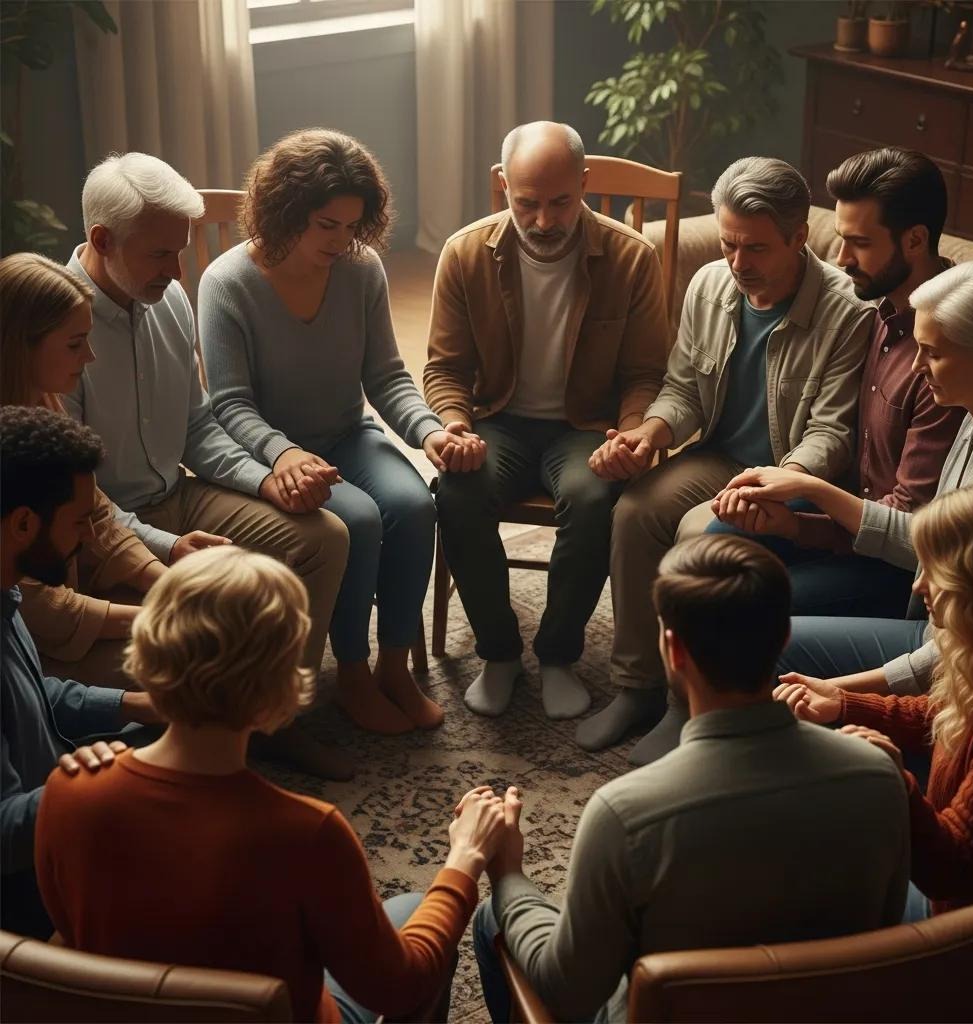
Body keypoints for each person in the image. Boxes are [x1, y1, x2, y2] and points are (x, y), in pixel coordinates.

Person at [35, 545, 509, 1024]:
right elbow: (400, 983)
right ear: (281, 690)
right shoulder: (308, 834)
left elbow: (70, 942)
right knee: (422, 916)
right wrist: (463, 861)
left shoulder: (68, 792)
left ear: (149, 649)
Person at [474, 534, 910, 1024]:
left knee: (497, 914)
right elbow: (884, 936)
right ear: (784, 637)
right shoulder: (880, 777)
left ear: (672, 649)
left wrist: (508, 871)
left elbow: (566, 992)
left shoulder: (624, 815)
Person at [64, 151, 351, 777]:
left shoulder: (166, 299)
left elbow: (197, 425)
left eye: (181, 251)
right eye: (160, 254)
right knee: (206, 605)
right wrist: (167, 547)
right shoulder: (61, 327)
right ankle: (191, 740)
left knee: (321, 538)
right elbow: (77, 494)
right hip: (104, 528)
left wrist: (267, 477)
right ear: (102, 240)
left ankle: (276, 718)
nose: (177, 270)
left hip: (178, 492)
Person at [578, 156, 875, 761]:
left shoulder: (849, 312)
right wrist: (650, 433)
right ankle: (637, 686)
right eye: (729, 243)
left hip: (791, 475)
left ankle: (686, 705)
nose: (738, 264)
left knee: (696, 535)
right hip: (718, 455)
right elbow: (684, 388)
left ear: (799, 238)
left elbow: (831, 436)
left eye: (756, 249)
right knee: (635, 510)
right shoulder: (710, 284)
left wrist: (776, 483)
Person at [200, 129, 477, 734]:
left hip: (349, 435)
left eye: (352, 225)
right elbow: (229, 405)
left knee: (412, 504)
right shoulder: (227, 284)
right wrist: (284, 454)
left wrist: (428, 432)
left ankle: (393, 666)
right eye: (326, 224)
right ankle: (351, 673)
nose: (342, 239)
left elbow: (385, 375)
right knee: (359, 519)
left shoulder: (361, 269)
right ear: (285, 212)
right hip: (274, 456)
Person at [423, 121, 669, 720]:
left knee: (591, 500)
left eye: (560, 202)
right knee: (457, 493)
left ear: (584, 184)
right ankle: (499, 653)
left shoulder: (632, 257)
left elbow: (645, 373)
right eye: (525, 202)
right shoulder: (464, 252)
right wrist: (453, 425)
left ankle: (558, 655)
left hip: (585, 427)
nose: (542, 220)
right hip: (498, 418)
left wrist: (632, 432)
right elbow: (444, 368)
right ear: (501, 184)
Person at [719, 261, 973, 699]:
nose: (916, 366)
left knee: (769, 646)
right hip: (932, 626)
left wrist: (841, 693)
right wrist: (806, 495)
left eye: (933, 353)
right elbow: (930, 542)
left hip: (947, 653)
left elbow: (968, 649)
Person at [706, 148, 965, 619]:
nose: (841, 259)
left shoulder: (945, 358)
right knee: (718, 544)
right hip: (854, 516)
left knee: (744, 604)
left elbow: (908, 529)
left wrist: (801, 518)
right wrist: (792, 522)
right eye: (842, 238)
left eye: (859, 243)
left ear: (915, 240)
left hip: (900, 567)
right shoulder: (881, 310)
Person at [775, 481, 973, 922]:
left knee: (795, 880)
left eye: (934, 571)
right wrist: (845, 704)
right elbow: (947, 716)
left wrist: (895, 780)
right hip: (949, 888)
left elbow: (954, 869)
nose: (918, 586)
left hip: (966, 934)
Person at [1, 406, 161, 940]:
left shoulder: (8, 593)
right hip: (24, 891)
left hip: (52, 798)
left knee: (167, 733)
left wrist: (135, 704)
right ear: (24, 523)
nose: (90, 537)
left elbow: (27, 695)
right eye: (78, 521)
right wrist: (92, 789)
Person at [0, 251, 180, 685]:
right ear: (22, 344)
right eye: (75, 344)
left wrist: (164, 581)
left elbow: (94, 508)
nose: (91, 357)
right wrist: (149, 616)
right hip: (24, 644)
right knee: (186, 659)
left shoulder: (39, 396)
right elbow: (31, 602)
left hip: (63, 599)